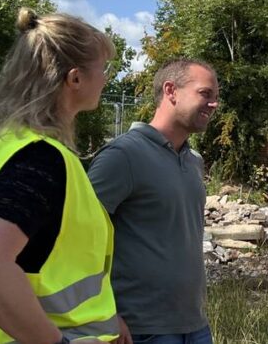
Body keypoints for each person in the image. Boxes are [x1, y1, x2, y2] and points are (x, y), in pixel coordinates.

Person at [0, 8, 118, 343]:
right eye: (103, 69)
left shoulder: (10, 144)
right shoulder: (40, 160)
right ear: (75, 78)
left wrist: (111, 318)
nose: (107, 79)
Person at [88, 59, 219, 344]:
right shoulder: (122, 156)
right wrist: (105, 313)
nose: (214, 104)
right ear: (171, 91)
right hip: (141, 329)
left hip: (194, 325)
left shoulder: (193, 161)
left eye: (216, 97)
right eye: (205, 94)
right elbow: (80, 240)